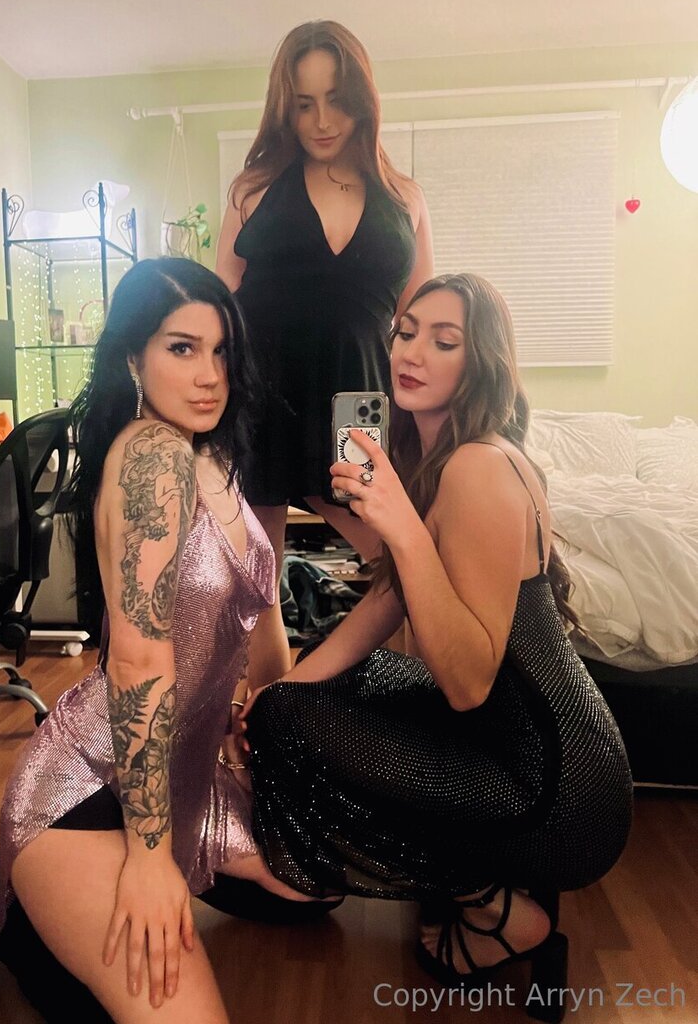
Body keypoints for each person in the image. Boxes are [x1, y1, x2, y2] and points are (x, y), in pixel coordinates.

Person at [242, 273, 633, 993]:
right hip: (522, 743)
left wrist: (400, 527)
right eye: (406, 332)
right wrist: (279, 690)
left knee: (291, 724)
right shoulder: (442, 459)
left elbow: (467, 684)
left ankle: (491, 902)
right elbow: (387, 601)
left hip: (553, 788)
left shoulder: (480, 467)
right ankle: (474, 873)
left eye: (444, 341)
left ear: (481, 361)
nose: (411, 352)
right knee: (318, 689)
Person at [0, 257, 331, 1024]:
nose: (210, 375)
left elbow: (256, 621)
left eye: (221, 351)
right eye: (182, 348)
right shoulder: (152, 457)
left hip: (186, 772)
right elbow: (139, 662)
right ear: (132, 358)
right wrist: (147, 863)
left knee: (314, 889)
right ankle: (22, 916)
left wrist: (252, 723)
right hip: (92, 783)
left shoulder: (214, 454)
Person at [216, 19, 434, 689]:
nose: (321, 121)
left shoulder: (404, 198)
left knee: (400, 560)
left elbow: (420, 324)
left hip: (357, 408)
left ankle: (402, 711)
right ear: (284, 107)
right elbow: (218, 309)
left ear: (362, 99)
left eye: (336, 100)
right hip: (263, 401)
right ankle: (268, 715)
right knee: (259, 579)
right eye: (303, 104)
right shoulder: (252, 190)